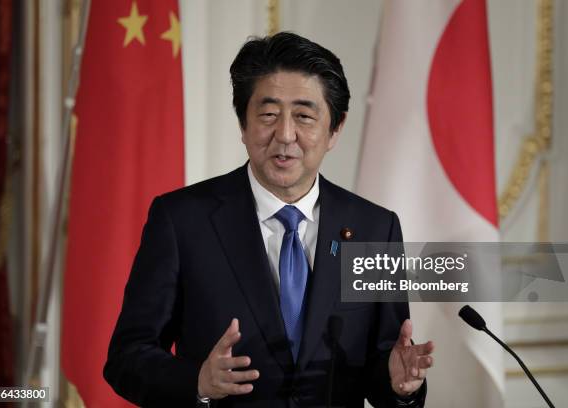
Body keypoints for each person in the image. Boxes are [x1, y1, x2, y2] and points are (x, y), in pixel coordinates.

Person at [104, 32, 434, 407]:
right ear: (244, 124)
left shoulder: (376, 228)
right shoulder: (182, 220)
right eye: (268, 115)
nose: (285, 135)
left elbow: (383, 361)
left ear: (335, 129)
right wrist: (197, 382)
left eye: (305, 117)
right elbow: (127, 358)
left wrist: (398, 384)